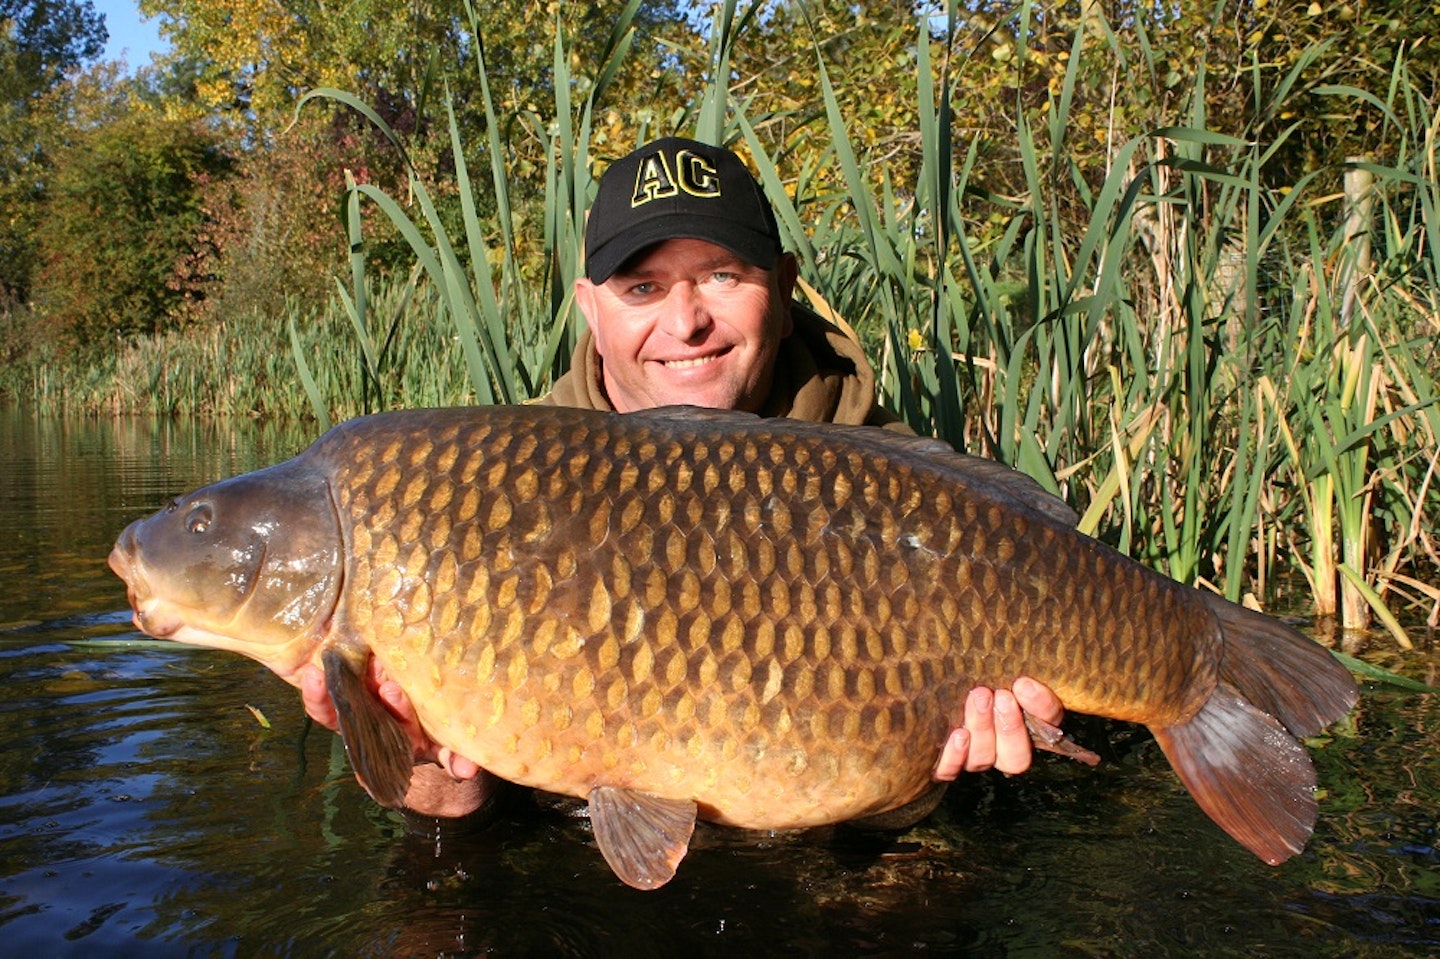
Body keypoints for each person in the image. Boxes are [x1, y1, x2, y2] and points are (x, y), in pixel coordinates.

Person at [299, 136, 1066, 819]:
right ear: (589, 310)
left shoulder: (884, 474)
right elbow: (457, 803)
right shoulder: (494, 481)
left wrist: (922, 781)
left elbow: (900, 780)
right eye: (642, 288)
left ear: (785, 288)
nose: (686, 320)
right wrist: (431, 758)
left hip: (836, 843)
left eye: (723, 276)